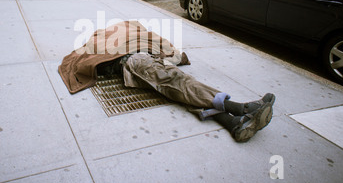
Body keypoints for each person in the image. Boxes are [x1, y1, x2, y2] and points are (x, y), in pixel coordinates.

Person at [58, 21, 275, 143]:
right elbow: (84, 57)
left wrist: (169, 53)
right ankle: (240, 107)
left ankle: (233, 123)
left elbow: (153, 37)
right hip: (133, 60)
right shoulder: (101, 37)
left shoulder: (132, 29)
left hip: (145, 58)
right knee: (174, 80)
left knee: (175, 88)